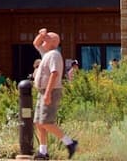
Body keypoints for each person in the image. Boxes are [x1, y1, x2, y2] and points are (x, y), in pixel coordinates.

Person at [33, 28, 78, 159]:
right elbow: (35, 43)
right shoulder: (46, 53)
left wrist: (47, 93)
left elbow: (55, 74)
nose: (43, 41)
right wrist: (42, 34)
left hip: (50, 91)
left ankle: (70, 143)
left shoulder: (54, 55)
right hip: (42, 91)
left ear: (52, 41)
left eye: (46, 38)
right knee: (38, 122)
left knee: (46, 122)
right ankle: (43, 152)